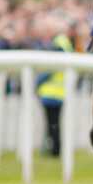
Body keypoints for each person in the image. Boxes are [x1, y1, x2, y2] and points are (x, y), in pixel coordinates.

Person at [36, 18, 74, 157]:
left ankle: (55, 151)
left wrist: (38, 82)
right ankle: (55, 150)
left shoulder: (58, 42)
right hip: (58, 92)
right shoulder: (63, 41)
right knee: (54, 124)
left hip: (52, 92)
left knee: (53, 124)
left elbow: (51, 67)